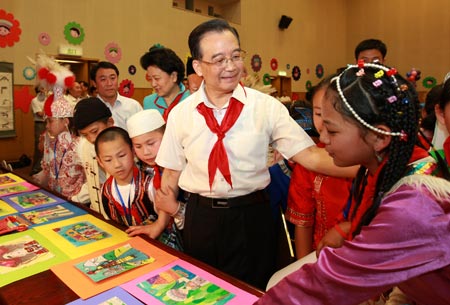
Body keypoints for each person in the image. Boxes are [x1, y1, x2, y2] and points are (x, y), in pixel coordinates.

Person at [154, 18, 356, 289]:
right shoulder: (181, 114)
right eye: (218, 59)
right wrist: (159, 223)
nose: (230, 66)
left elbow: (310, 156)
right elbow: (171, 172)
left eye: (236, 56)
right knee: (202, 290)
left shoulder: (266, 107)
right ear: (198, 66)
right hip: (200, 217)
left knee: (255, 290)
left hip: (253, 216)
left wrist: (376, 166)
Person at [254, 62, 450, 304]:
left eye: (333, 131)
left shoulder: (413, 204)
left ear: (378, 136)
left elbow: (328, 282)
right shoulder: (378, 169)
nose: (322, 139)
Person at [285, 77, 352, 259]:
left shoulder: (377, 160)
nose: (324, 123)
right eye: (318, 113)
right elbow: (303, 223)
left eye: (332, 114)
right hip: (324, 260)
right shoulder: (310, 160)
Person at [94, 127, 173, 245]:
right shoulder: (106, 190)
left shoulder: (150, 185)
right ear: (100, 162)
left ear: (132, 152)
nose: (117, 164)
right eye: (108, 160)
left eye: (121, 156)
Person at [126, 110, 184, 250]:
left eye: (151, 143)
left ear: (166, 137)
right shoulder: (145, 169)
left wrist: (176, 209)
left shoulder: (184, 165)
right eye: (138, 146)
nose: (146, 152)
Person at [32, 53, 86, 201]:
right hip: (54, 197)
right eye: (46, 121)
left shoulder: (80, 145)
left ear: (66, 121)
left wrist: (76, 199)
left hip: (75, 201)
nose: (47, 126)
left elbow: (90, 176)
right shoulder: (50, 142)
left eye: (51, 121)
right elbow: (47, 170)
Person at [72, 97, 115, 214]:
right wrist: (75, 200)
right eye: (85, 135)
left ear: (110, 123)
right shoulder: (86, 147)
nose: (91, 139)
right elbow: (93, 181)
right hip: (98, 211)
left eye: (95, 131)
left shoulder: (122, 147)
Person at [89, 61, 142, 130]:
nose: (109, 83)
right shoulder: (90, 109)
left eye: (113, 78)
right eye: (103, 79)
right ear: (94, 83)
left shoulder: (133, 105)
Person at [141, 46, 190, 121]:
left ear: (173, 76)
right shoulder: (149, 102)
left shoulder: (191, 99)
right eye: (150, 79)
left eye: (157, 78)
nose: (153, 84)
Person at [30, 85, 47, 175]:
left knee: (47, 146)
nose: (45, 91)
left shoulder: (47, 99)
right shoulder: (35, 100)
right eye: (43, 89)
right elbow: (40, 114)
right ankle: (35, 169)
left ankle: (43, 168)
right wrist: (47, 107)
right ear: (39, 91)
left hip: (48, 123)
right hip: (40, 124)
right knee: (39, 146)